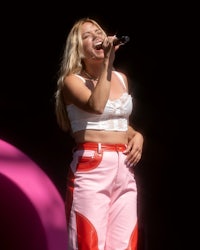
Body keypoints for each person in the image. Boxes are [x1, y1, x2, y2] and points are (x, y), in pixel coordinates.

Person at [55, 17, 144, 250]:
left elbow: (118, 123)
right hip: (92, 167)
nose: (96, 37)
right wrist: (107, 65)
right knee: (89, 243)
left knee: (124, 245)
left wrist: (137, 135)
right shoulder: (72, 81)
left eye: (98, 32)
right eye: (87, 36)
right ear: (78, 49)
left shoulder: (120, 79)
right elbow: (96, 106)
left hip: (124, 167)